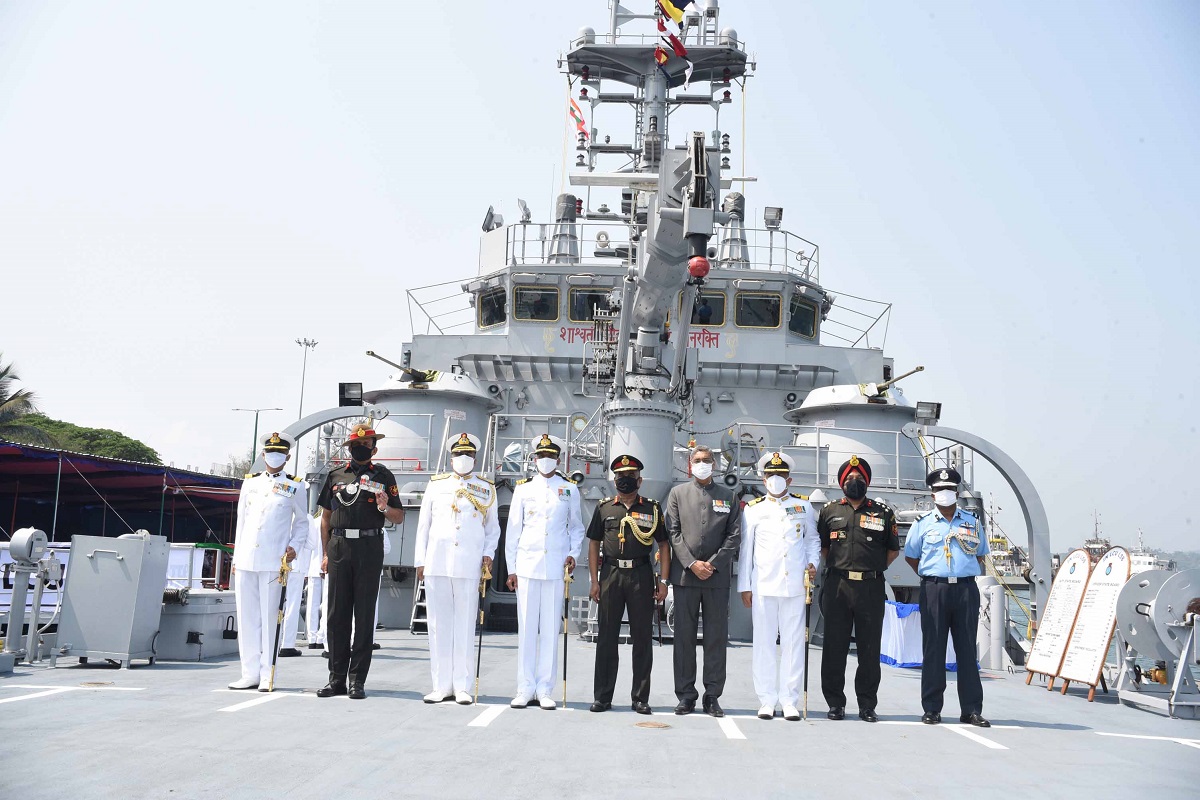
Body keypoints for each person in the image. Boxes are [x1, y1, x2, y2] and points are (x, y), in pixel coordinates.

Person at [316, 423, 405, 700]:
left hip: (369, 546)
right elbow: (326, 519)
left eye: (366, 445)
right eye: (357, 444)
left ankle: (357, 681)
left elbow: (398, 516)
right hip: (339, 546)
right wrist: (326, 554)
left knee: (364, 616)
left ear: (374, 449)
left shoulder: (383, 476)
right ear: (349, 448)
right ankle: (336, 679)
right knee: (336, 615)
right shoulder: (335, 476)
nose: (361, 448)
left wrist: (382, 506)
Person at [414, 433, 500, 705]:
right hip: (437, 562)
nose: (463, 459)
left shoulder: (486, 488)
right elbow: (424, 525)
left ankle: (462, 686)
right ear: (451, 457)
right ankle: (440, 685)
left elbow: (492, 528)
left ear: (475, 458)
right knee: (438, 625)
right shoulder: (436, 485)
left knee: (464, 625)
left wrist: (487, 555)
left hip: (468, 563)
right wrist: (420, 560)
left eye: (468, 455)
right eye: (458, 454)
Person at [904, 467, 991, 727]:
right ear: (932, 494)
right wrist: (932, 575)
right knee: (934, 650)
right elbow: (911, 555)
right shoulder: (922, 524)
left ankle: (971, 709)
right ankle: (932, 708)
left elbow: (980, 554)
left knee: (966, 651)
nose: (945, 494)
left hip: (965, 590)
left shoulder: (972, 522)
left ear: (957, 492)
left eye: (950, 490)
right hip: (934, 590)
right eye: (941, 490)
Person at [737, 451, 820, 721]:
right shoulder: (754, 509)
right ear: (763, 478)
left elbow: (811, 541)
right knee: (763, 643)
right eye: (771, 475)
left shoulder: (804, 507)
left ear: (790, 479)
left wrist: (813, 564)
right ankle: (767, 699)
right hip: (763, 585)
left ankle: (789, 699)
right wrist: (744, 586)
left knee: (794, 644)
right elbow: (746, 550)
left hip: (795, 585)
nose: (776, 479)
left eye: (781, 476)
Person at [504, 434, 585, 709]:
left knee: (551, 630)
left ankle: (545, 688)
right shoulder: (523, 489)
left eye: (551, 456)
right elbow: (513, 531)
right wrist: (512, 568)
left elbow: (576, 528)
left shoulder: (569, 489)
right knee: (526, 628)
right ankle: (524, 687)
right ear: (534, 459)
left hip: (555, 568)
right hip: (527, 567)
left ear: (558, 459)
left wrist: (574, 554)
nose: (546, 461)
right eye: (541, 456)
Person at [817, 455, 900, 722]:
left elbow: (892, 551)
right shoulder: (829, 511)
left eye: (860, 479)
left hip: (870, 587)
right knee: (834, 646)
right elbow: (823, 548)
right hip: (837, 585)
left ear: (867, 483)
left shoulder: (883, 513)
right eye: (850, 479)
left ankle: (866, 704)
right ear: (842, 483)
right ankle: (835, 703)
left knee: (869, 647)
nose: (855, 482)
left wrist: (870, 569)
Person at [586, 454, 670, 714]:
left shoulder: (652, 508)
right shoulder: (604, 508)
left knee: (643, 638)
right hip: (610, 575)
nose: (625, 481)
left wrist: (664, 581)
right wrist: (594, 580)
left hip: (641, 576)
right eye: (620, 477)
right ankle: (602, 697)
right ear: (614, 480)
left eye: (630, 477)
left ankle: (640, 698)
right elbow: (593, 544)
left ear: (639, 480)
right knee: (607, 638)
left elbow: (664, 545)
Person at [665, 443, 742, 717]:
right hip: (685, 577)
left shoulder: (728, 496)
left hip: (716, 578)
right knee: (683, 638)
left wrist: (712, 564)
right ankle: (686, 695)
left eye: (706, 459)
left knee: (715, 638)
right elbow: (673, 533)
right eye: (697, 459)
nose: (702, 463)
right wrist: (691, 563)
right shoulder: (677, 494)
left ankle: (712, 695)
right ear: (689, 464)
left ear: (715, 464)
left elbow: (734, 536)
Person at [228, 432, 308, 691]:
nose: (273, 457)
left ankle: (266, 675)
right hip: (247, 559)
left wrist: (294, 547)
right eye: (269, 452)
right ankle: (248, 672)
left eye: (279, 453)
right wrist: (236, 557)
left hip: (275, 561)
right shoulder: (250, 483)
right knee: (247, 618)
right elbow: (241, 522)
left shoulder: (296, 485)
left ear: (288, 456)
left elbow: (302, 523)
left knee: (269, 618)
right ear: (263, 455)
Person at [277, 508, 315, 659]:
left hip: (276, 564)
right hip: (297, 565)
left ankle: (271, 643)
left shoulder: (280, 512)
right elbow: (311, 544)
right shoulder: (306, 517)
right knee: (292, 605)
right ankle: (287, 645)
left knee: (275, 605)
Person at [303, 513, 326, 651]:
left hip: (312, 567)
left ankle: (312, 638)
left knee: (312, 605)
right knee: (327, 605)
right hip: (325, 568)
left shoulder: (314, 521)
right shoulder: (332, 520)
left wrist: (306, 570)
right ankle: (321, 637)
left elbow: (308, 547)